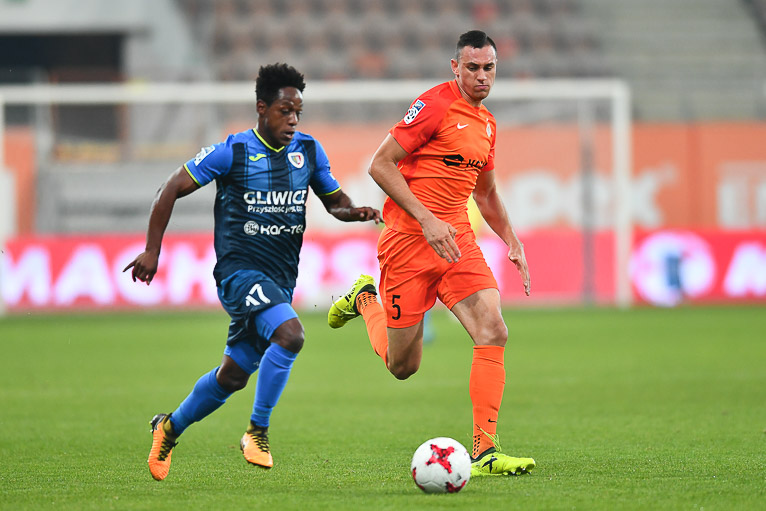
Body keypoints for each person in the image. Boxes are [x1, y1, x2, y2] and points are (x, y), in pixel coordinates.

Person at [125, 63, 381, 481]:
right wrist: (153, 250)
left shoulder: (308, 152)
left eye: (298, 112)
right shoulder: (232, 152)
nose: (293, 120)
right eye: (285, 111)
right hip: (238, 273)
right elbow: (169, 188)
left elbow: (334, 202)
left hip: (280, 280)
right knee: (291, 335)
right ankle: (257, 432)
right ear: (262, 108)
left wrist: (355, 212)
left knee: (232, 376)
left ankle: (168, 427)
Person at [328, 30, 535, 477]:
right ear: (455, 68)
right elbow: (380, 164)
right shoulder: (435, 105)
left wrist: (512, 240)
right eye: (472, 67)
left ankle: (485, 452)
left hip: (456, 242)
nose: (481, 76)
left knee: (493, 328)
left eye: (489, 68)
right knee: (403, 366)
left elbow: (486, 194)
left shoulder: (487, 124)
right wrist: (426, 219)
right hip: (408, 242)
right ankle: (365, 298)